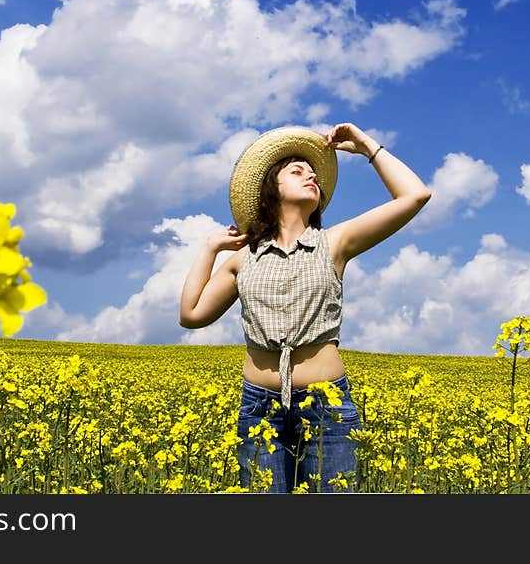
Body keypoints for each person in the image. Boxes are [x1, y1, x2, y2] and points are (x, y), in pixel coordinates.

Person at [179, 122, 432, 493]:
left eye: (314, 174)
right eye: (296, 172)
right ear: (272, 189)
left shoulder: (336, 243)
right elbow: (192, 315)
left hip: (327, 404)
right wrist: (210, 248)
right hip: (259, 406)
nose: (311, 177)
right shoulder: (243, 259)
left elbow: (415, 195)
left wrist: (365, 146)